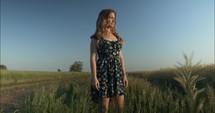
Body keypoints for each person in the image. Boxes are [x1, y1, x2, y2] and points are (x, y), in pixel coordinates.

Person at [90, 9, 128, 113]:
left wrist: (124, 74)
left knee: (120, 108)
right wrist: (94, 77)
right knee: (103, 108)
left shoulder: (116, 37)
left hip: (117, 73)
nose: (112, 20)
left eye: (114, 19)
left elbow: (120, 57)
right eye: (110, 17)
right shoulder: (96, 37)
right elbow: (93, 58)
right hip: (103, 73)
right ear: (103, 18)